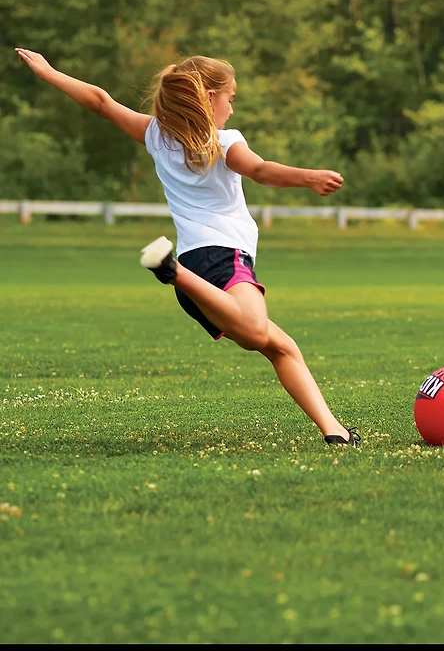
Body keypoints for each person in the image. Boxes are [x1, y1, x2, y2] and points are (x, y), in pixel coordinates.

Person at [15, 47, 360, 446]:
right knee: (256, 328)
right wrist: (309, 177)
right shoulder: (224, 142)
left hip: (196, 277)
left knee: (280, 346)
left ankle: (335, 432)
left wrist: (50, 74)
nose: (232, 107)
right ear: (210, 97)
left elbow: (102, 103)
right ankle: (170, 270)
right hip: (221, 261)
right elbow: (261, 171)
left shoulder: (156, 136)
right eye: (231, 97)